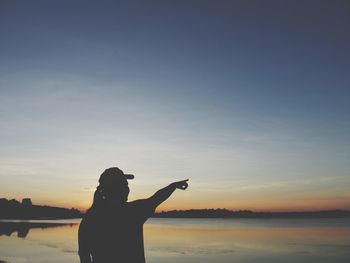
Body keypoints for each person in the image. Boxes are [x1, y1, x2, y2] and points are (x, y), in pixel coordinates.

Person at [78, 167, 189, 263]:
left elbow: (84, 255)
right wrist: (173, 186)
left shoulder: (90, 219)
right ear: (121, 189)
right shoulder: (133, 212)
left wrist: (173, 186)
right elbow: (156, 198)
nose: (127, 188)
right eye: (125, 184)